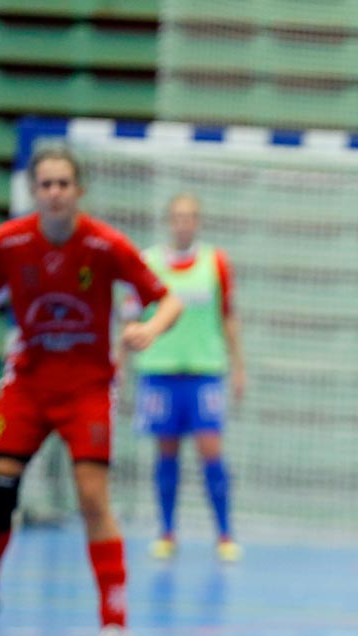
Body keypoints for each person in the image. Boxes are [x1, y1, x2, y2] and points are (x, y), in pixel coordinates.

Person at [0, 145, 183, 636]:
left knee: (93, 498)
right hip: (28, 383)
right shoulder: (9, 242)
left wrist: (150, 327)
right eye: (45, 184)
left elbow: (168, 299)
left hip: (86, 387)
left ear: (79, 191)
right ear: (34, 191)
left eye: (63, 184)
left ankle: (114, 622)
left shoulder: (104, 244)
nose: (54, 192)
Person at [129, 193, 245, 563]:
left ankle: (224, 534)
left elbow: (227, 317)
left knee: (211, 451)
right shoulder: (147, 262)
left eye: (190, 216)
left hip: (204, 373)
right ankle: (166, 532)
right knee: (166, 453)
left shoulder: (216, 263)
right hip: (160, 372)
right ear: (169, 220)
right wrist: (120, 358)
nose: (184, 223)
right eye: (177, 216)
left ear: (198, 221)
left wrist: (238, 365)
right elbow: (131, 315)